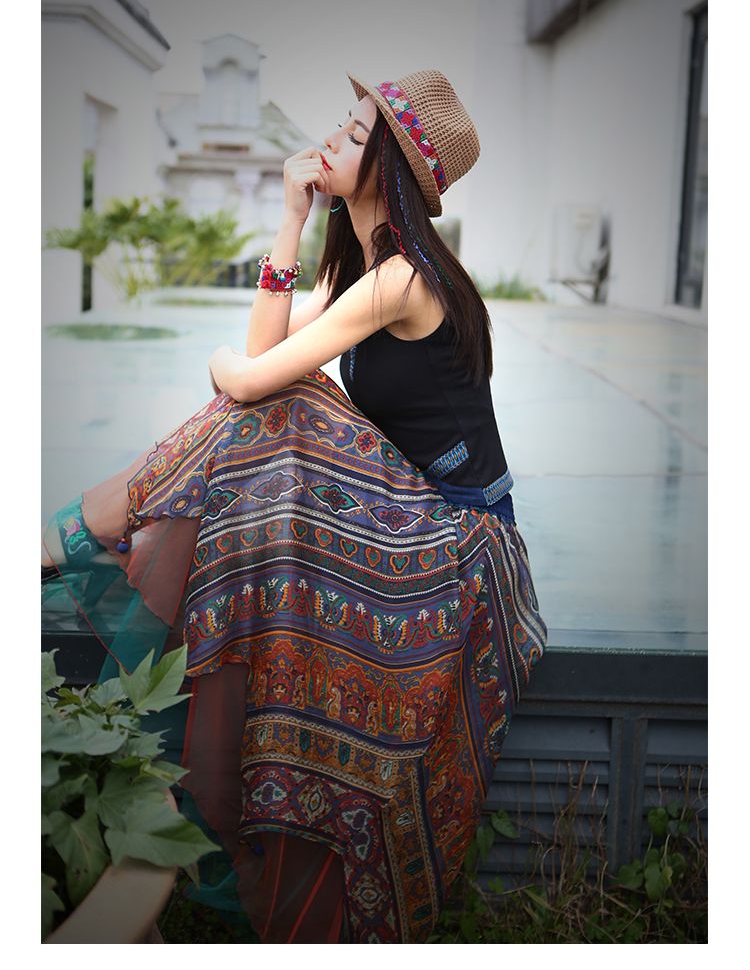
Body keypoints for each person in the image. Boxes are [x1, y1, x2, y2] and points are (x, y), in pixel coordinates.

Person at [42, 69, 547, 943]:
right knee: (270, 412)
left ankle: (82, 529)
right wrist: (291, 219)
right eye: (342, 124)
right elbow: (264, 353)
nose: (331, 139)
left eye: (355, 134)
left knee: (279, 404)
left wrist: (226, 371)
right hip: (413, 511)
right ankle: (85, 527)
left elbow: (248, 375)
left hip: (463, 543)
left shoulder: (402, 278)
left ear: (390, 167)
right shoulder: (362, 265)